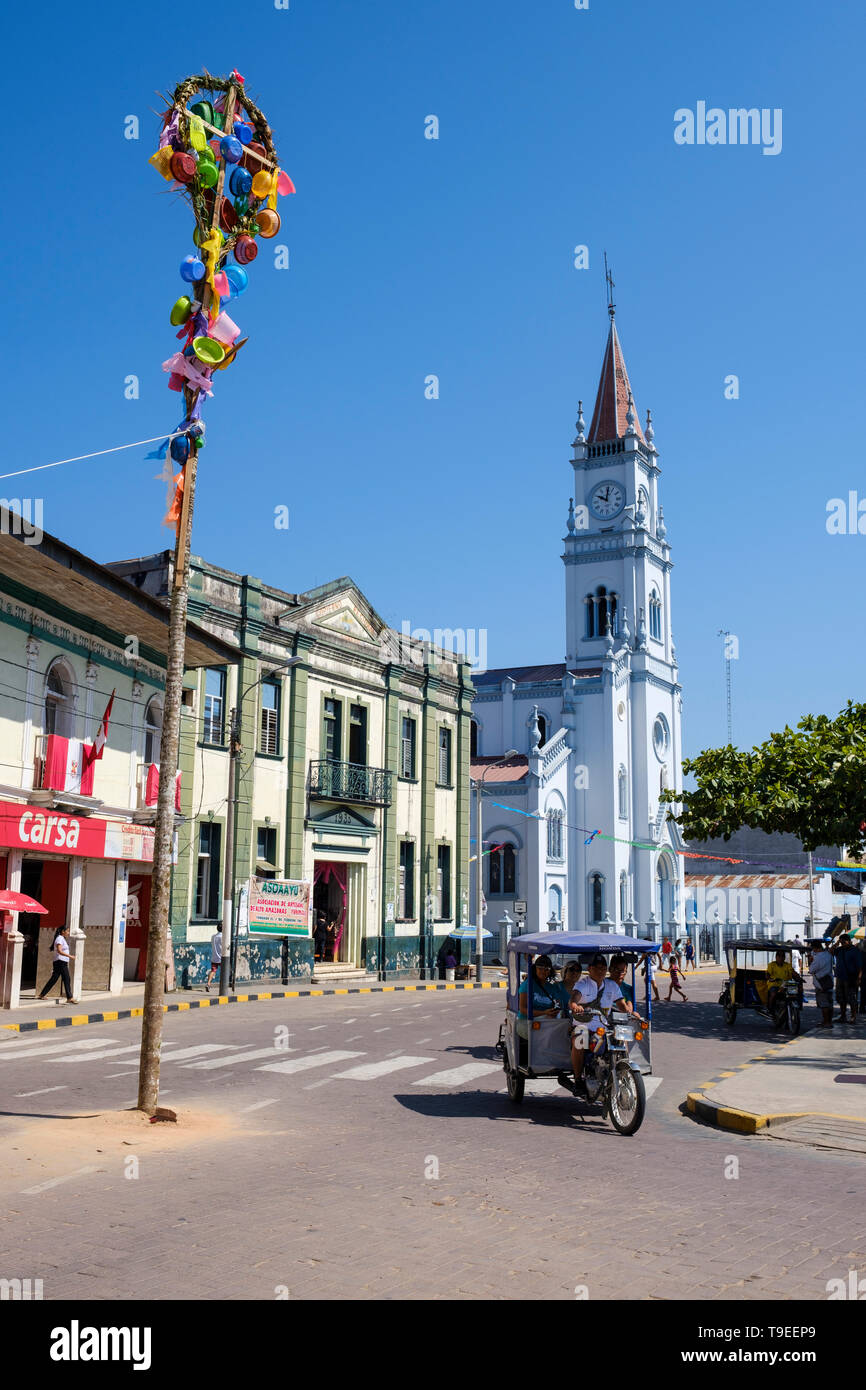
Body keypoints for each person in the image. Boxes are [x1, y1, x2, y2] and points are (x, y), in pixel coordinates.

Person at [569, 954, 619, 1090]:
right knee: (580, 1039)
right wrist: (575, 1005)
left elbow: (622, 1004)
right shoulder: (582, 984)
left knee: (620, 1038)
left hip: (602, 1028)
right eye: (597, 968)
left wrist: (632, 1012)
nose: (601, 971)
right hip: (583, 1025)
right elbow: (574, 998)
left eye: (604, 968)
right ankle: (578, 1079)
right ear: (590, 969)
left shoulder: (611, 985)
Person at [517, 954, 563, 1037]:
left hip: (546, 1021)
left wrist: (555, 1011)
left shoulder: (552, 987)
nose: (543, 971)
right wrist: (544, 1012)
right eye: (540, 968)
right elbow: (523, 1009)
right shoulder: (527, 984)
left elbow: (558, 1004)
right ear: (535, 969)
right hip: (526, 1021)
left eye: (546, 969)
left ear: (550, 971)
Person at [38, 926, 74, 1004]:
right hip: (60, 961)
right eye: (67, 931)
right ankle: (69, 997)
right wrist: (70, 956)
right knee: (67, 979)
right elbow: (59, 951)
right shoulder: (60, 938)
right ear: (63, 931)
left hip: (60, 962)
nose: (68, 933)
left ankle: (42, 994)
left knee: (54, 979)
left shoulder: (61, 938)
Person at [833, 934, 862, 1024]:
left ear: (849, 941)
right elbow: (830, 951)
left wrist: (859, 978)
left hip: (850, 978)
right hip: (840, 977)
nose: (842, 944)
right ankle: (843, 1016)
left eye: (844, 942)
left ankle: (853, 1017)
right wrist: (836, 943)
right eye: (841, 942)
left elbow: (860, 966)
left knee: (851, 998)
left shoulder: (855, 951)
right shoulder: (840, 950)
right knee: (841, 998)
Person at [809, 940, 835, 1028]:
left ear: (815, 948)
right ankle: (829, 1021)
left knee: (824, 1005)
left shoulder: (818, 958)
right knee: (829, 1003)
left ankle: (826, 1022)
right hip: (829, 980)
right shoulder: (828, 955)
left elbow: (811, 970)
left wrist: (811, 961)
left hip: (821, 983)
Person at [766, 949, 796, 1019]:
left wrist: (799, 978)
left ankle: (794, 1008)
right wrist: (770, 978)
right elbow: (767, 974)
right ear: (776, 957)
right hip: (774, 984)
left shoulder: (787, 965)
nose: (781, 958)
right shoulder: (771, 965)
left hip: (786, 985)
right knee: (773, 994)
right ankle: (770, 1008)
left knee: (796, 993)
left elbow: (793, 972)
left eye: (783, 956)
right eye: (779, 956)